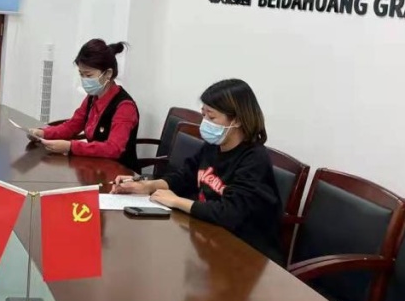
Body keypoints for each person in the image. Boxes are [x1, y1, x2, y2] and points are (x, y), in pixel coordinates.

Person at [112, 78, 282, 262]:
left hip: (245, 252)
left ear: (237, 120)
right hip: (208, 235)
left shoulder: (254, 159)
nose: (205, 122)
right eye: (203, 115)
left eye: (212, 117)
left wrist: (177, 201)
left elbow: (230, 213)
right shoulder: (213, 146)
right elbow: (185, 176)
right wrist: (148, 185)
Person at [27, 40, 140, 170]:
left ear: (108, 74)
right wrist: (42, 133)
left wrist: (70, 147)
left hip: (121, 174)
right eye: (81, 74)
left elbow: (113, 148)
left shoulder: (125, 106)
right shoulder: (92, 98)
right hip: (96, 168)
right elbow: (72, 126)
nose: (84, 80)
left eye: (89, 75)